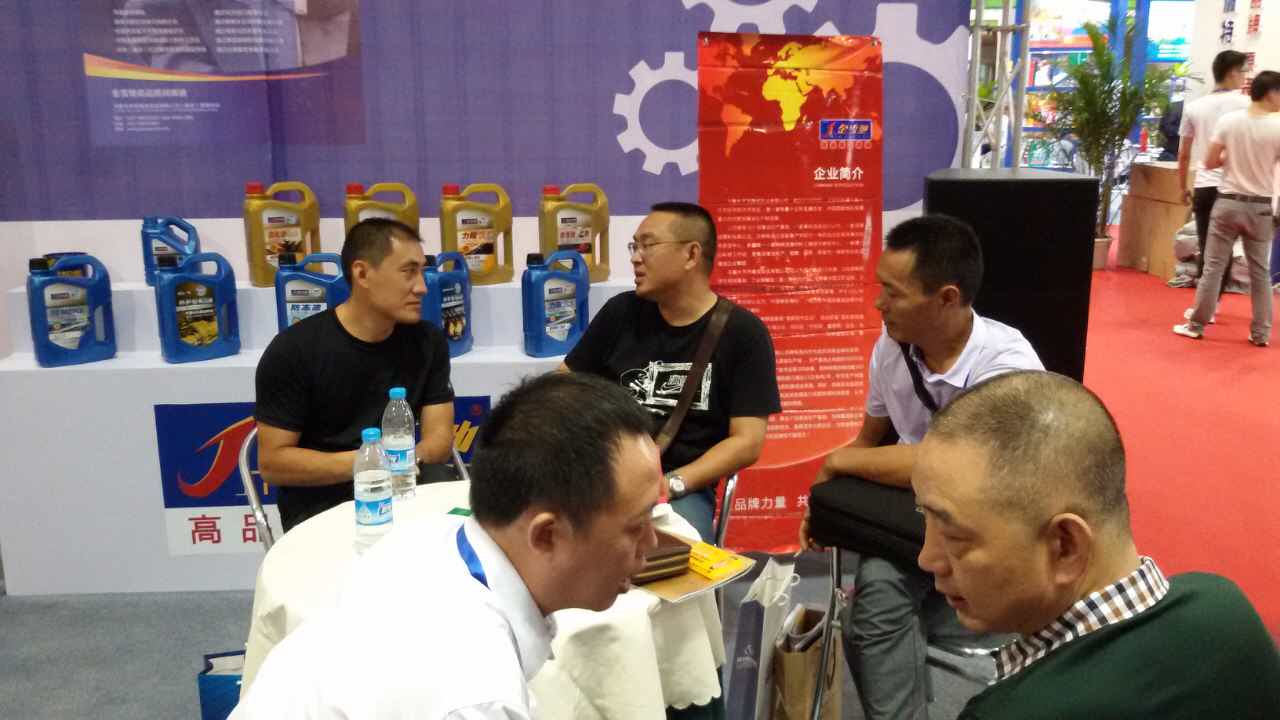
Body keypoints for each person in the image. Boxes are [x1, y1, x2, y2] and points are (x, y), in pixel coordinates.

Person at [231, 373, 662, 718]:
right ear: (546, 534)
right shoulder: (475, 696)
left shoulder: (426, 538)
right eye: (637, 526)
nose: (653, 542)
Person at [912, 370, 1280, 718]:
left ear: (1065, 546)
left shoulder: (1009, 711)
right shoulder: (1225, 606)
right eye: (923, 515)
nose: (928, 559)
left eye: (954, 537)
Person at [798, 215, 1043, 720]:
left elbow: (951, 460)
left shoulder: (1007, 364)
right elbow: (869, 440)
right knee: (876, 607)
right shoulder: (891, 349)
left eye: (893, 292)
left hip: (993, 528)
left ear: (946, 298)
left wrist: (839, 462)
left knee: (880, 612)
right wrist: (828, 509)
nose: (878, 303)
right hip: (916, 525)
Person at [562, 202, 781, 542]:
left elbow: (747, 441)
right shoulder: (620, 312)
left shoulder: (743, 333)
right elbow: (561, 387)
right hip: (604, 471)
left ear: (691, 254)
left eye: (647, 245)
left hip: (681, 486)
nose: (635, 258)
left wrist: (672, 484)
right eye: (634, 246)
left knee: (675, 552)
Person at [255, 218, 455, 532]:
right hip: (323, 507)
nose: (422, 287)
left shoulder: (428, 342)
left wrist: (399, 464)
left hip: (405, 491)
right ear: (362, 273)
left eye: (422, 271)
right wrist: (370, 463)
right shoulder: (294, 350)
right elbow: (273, 464)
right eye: (408, 272)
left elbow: (439, 441)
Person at [1174, 70, 1280, 347]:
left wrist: (1230, 156)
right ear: (1271, 93)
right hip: (1261, 206)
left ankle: (1196, 325)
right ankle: (1261, 333)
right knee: (1260, 273)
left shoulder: (1229, 122)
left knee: (1213, 267)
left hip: (1228, 202)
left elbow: (1209, 162)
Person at [1176, 50, 1249, 314]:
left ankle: (1207, 304)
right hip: (1235, 186)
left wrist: (1182, 186)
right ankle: (1213, 302)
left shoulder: (1194, 107)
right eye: (1243, 71)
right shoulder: (1247, 105)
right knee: (1227, 247)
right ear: (1232, 73)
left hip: (1205, 185)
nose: (1245, 76)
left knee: (1208, 245)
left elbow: (1184, 153)